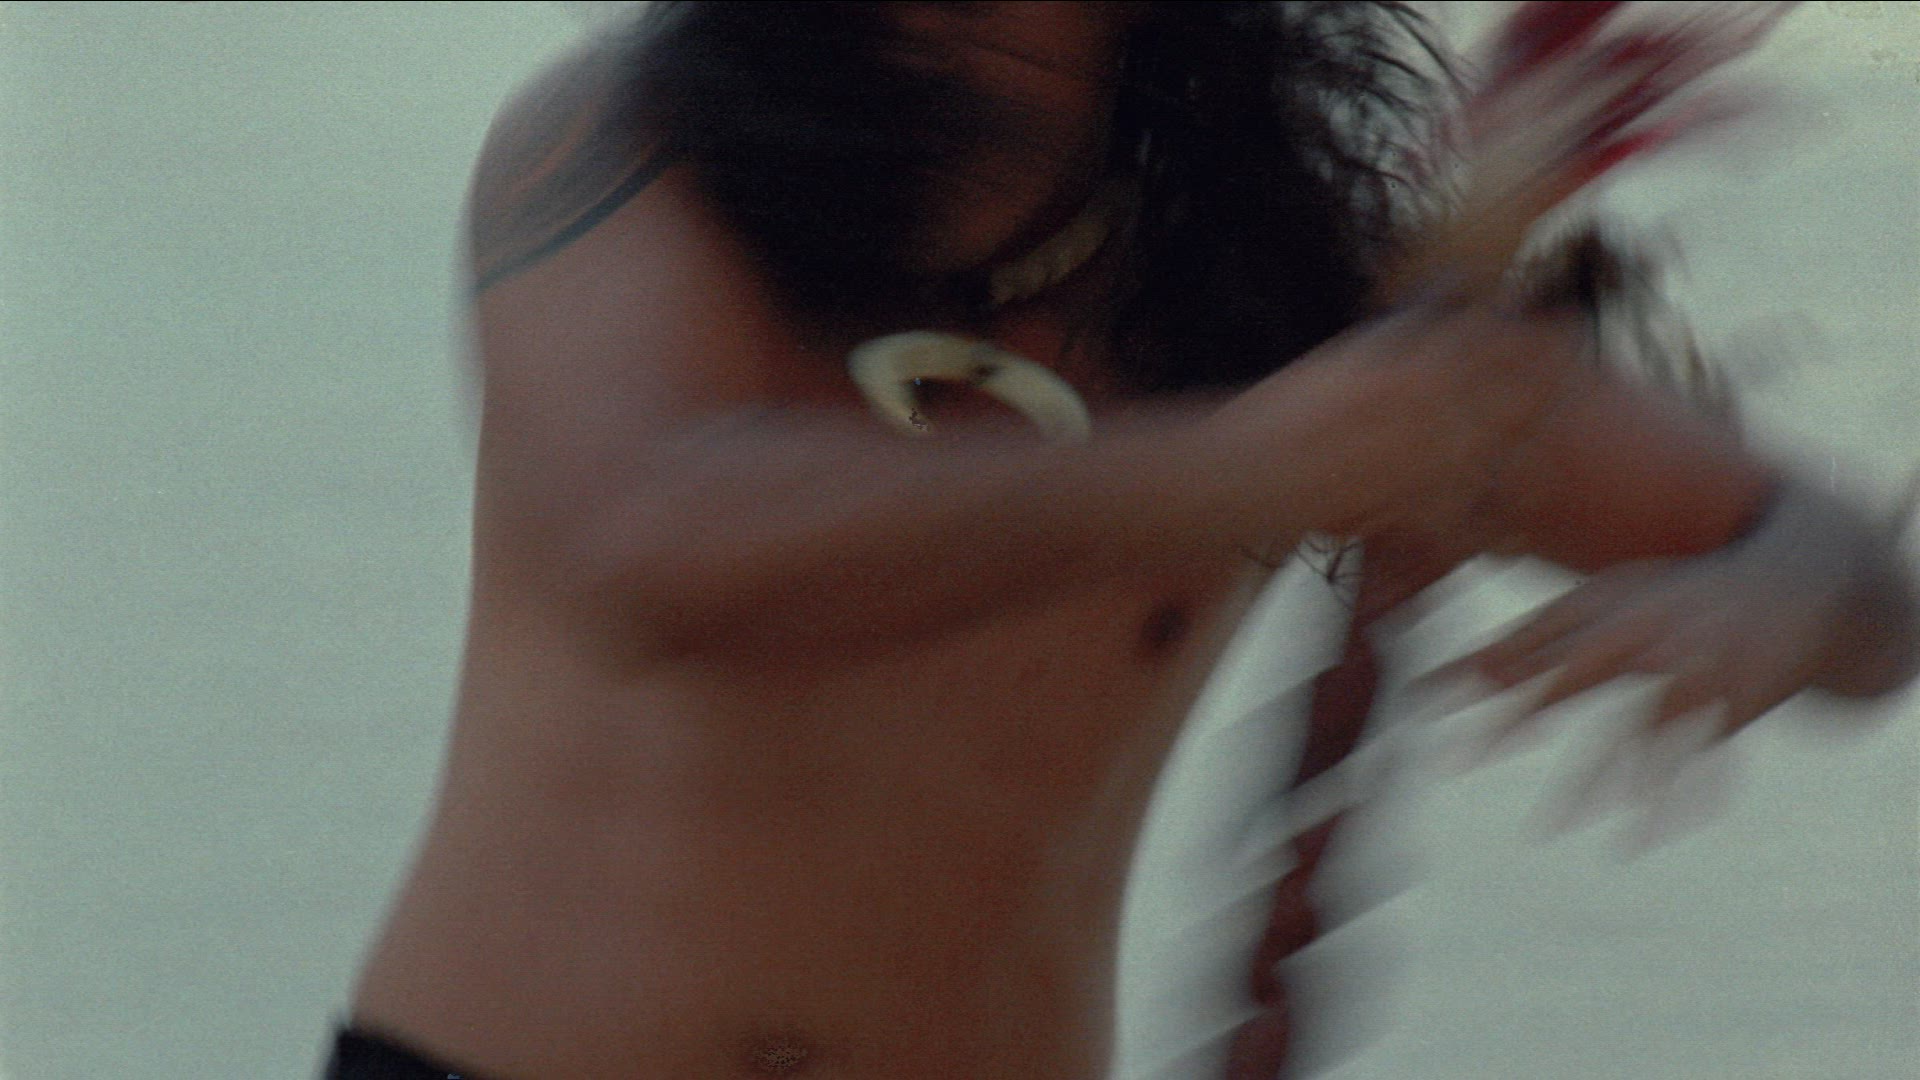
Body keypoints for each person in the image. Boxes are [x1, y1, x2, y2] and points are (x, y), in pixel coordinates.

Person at [325, 3, 1919, 1078]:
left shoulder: (1273, 288)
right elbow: (640, 543)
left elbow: (1850, 579)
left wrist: (1783, 591)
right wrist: (1238, 466)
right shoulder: (634, 143)